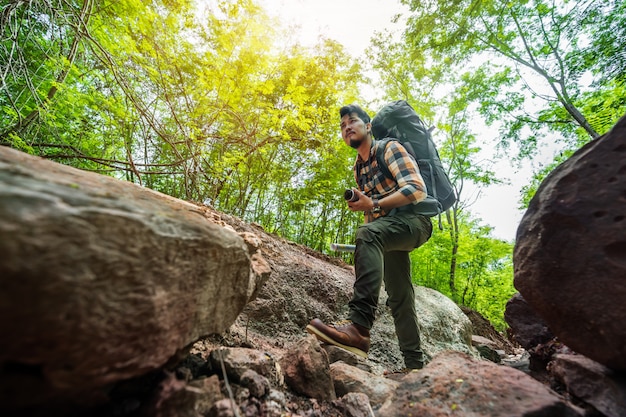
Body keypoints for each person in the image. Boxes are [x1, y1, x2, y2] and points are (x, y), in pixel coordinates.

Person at [306, 104, 434, 371]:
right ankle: (416, 366)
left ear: (368, 127)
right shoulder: (359, 168)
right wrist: (369, 223)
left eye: (352, 122)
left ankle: (359, 329)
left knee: (369, 233)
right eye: (342, 126)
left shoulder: (390, 148)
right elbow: (370, 218)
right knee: (400, 296)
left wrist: (373, 209)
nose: (347, 128)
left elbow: (416, 189)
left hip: (415, 223)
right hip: (387, 230)